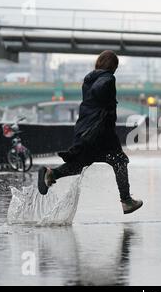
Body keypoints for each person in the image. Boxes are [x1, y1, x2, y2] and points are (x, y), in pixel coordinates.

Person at [37, 50, 143, 215]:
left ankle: (51, 174)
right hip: (101, 131)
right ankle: (126, 201)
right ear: (113, 66)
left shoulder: (88, 79)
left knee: (80, 164)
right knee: (120, 161)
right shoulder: (108, 78)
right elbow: (101, 90)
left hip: (86, 129)